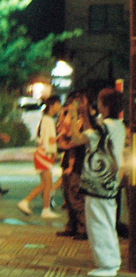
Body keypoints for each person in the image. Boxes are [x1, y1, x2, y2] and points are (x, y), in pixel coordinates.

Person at [70, 88, 125, 277]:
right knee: (107, 222)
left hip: (98, 182)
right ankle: (112, 260)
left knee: (98, 224)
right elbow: (93, 137)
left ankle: (106, 265)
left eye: (100, 101)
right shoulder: (117, 125)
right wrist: (85, 116)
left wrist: (73, 115)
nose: (98, 104)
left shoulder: (104, 127)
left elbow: (78, 139)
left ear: (106, 105)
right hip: (109, 182)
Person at [18, 96, 62, 219]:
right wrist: (53, 153)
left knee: (45, 183)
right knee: (47, 183)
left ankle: (27, 202)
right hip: (44, 154)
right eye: (59, 104)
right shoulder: (48, 120)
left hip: (41, 154)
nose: (60, 107)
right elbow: (51, 139)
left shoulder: (46, 119)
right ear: (52, 105)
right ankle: (43, 209)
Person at [57, 91, 89, 240]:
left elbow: (77, 142)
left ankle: (83, 228)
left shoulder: (86, 121)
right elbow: (62, 139)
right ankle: (72, 226)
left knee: (76, 195)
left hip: (79, 164)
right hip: (67, 162)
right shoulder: (67, 118)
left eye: (74, 103)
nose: (71, 107)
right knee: (67, 196)